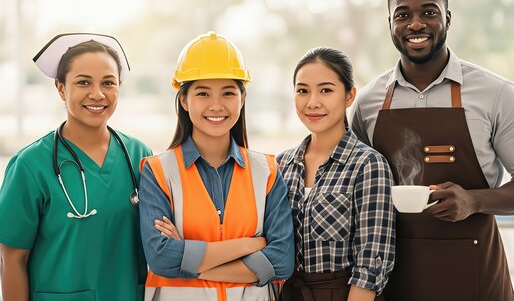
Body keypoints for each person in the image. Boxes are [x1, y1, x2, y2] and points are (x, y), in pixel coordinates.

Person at [351, 0, 514, 301]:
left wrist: (474, 200)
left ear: (448, 19)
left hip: (476, 277)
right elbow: (353, 187)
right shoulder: (367, 102)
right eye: (403, 15)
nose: (416, 24)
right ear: (390, 24)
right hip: (391, 278)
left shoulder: (496, 94)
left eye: (429, 12)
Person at [138, 31, 294, 301]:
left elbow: (281, 261)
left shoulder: (266, 171)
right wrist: (250, 245)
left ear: (242, 98)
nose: (216, 105)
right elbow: (162, 258)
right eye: (203, 93)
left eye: (228, 93)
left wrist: (189, 261)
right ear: (184, 100)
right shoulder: (159, 172)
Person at [0, 33, 152, 301]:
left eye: (108, 83)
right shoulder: (30, 166)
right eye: (83, 82)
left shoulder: (140, 156)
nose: (98, 94)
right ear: (61, 88)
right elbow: (11, 260)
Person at [277, 47, 395, 301]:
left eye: (326, 90)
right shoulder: (281, 165)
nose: (312, 102)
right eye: (302, 90)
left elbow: (371, 265)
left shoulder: (368, 165)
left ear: (349, 95)